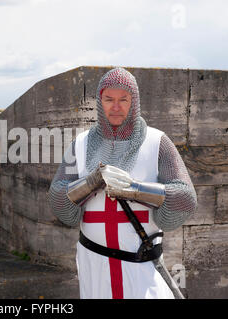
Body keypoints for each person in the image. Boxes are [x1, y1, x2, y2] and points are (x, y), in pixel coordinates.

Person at [48, 67, 197, 299]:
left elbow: (185, 197)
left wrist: (135, 190)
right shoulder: (80, 144)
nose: (116, 107)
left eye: (123, 99)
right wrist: (90, 184)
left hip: (141, 263)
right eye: (109, 99)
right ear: (100, 101)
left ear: (133, 101)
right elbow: (58, 195)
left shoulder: (157, 142)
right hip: (94, 262)